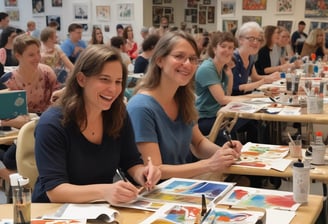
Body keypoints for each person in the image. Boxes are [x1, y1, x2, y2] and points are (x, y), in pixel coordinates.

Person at [32, 45, 161, 203]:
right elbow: (55, 191)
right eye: (104, 79)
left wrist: (143, 173)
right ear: (81, 79)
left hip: (100, 208)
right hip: (54, 212)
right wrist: (105, 191)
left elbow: (130, 161)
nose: (113, 89)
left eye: (118, 81)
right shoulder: (52, 124)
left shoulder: (118, 115)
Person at [127, 31, 242, 181]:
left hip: (181, 185)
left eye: (193, 59)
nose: (187, 64)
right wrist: (209, 164)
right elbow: (156, 168)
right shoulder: (141, 107)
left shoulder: (184, 99)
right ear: (160, 60)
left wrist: (223, 153)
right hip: (156, 193)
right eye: (179, 56)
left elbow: (199, 143)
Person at [0, 34, 58, 181]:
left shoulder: (48, 74)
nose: (38, 57)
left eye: (38, 52)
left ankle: (7, 175)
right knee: (11, 157)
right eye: (31, 55)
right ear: (18, 56)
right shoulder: (8, 81)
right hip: (16, 130)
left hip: (42, 127)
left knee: (9, 159)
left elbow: (55, 103)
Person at [195, 31, 258, 146]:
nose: (228, 51)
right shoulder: (208, 68)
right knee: (250, 120)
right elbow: (222, 99)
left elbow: (228, 94)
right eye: (223, 46)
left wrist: (229, 75)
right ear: (214, 49)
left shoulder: (222, 68)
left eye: (231, 48)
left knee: (253, 120)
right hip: (205, 118)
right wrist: (252, 98)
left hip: (219, 114)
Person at [231, 22, 280, 96]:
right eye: (251, 39)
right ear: (240, 39)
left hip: (245, 97)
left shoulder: (250, 57)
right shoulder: (233, 58)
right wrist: (263, 81)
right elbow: (235, 88)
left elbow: (255, 77)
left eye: (258, 39)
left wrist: (271, 77)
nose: (256, 42)